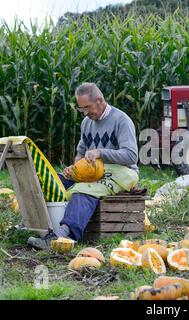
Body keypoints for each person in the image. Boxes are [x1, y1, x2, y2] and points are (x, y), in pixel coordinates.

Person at [28, 82, 139, 250]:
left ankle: (63, 237)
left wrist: (100, 153)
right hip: (93, 173)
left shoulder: (121, 120)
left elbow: (131, 155)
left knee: (83, 191)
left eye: (87, 107)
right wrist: (75, 170)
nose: (85, 113)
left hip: (121, 173)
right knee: (52, 181)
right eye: (81, 109)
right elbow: (80, 153)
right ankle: (37, 226)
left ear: (100, 101)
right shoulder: (87, 123)